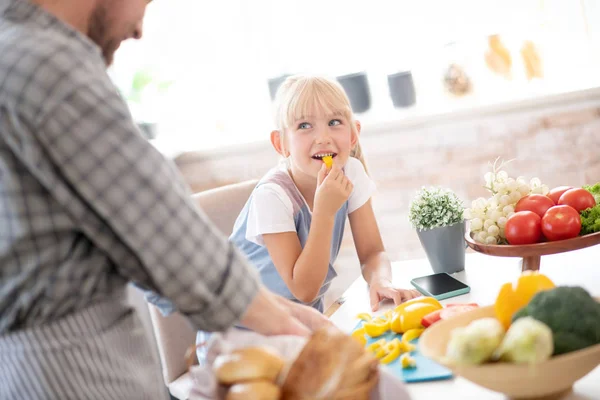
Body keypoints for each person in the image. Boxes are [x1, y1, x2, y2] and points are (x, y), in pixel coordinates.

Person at [0, 1, 328, 399]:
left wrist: (291, 316)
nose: (139, 29)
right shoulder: (48, 65)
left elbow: (140, 246)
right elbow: (176, 246)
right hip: (78, 374)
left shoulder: (13, 50)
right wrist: (305, 339)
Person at [230, 75, 421, 313]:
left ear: (353, 135)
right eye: (304, 126)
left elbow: (373, 252)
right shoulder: (271, 196)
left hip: (304, 318)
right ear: (281, 144)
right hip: (247, 326)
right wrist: (324, 212)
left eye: (334, 122)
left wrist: (380, 281)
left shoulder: (351, 171)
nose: (323, 138)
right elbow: (304, 290)